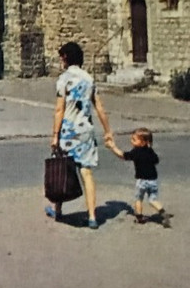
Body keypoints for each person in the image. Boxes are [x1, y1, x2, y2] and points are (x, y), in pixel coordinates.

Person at [49, 41, 113, 229]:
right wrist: (107, 130)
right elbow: (99, 107)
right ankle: (92, 216)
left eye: (62, 57)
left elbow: (59, 110)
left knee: (63, 169)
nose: (61, 60)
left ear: (66, 58)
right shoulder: (88, 79)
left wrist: (55, 135)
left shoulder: (63, 80)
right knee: (86, 172)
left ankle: (58, 210)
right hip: (86, 130)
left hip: (68, 132)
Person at [109, 127, 169, 227]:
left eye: (134, 139)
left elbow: (123, 155)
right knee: (152, 200)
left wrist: (113, 147)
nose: (131, 141)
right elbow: (156, 160)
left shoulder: (136, 152)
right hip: (153, 180)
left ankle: (139, 217)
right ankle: (162, 212)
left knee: (138, 198)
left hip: (141, 181)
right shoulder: (150, 151)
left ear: (143, 142)